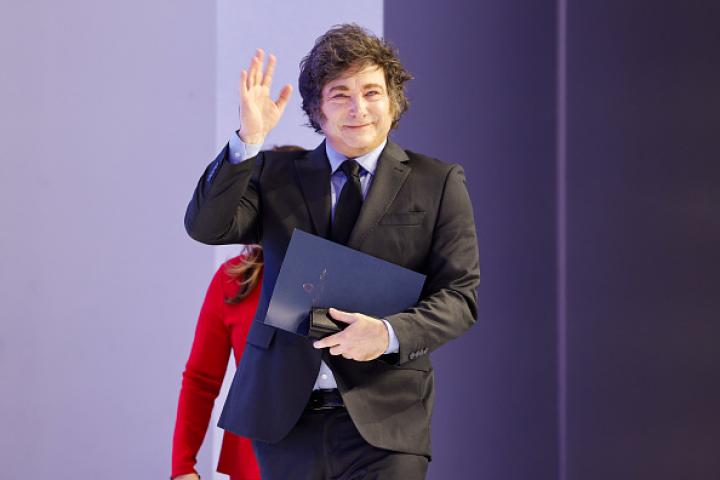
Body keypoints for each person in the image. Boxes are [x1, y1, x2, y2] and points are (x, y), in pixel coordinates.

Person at [185, 24, 480, 479]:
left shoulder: (437, 181)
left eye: (372, 92)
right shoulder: (274, 172)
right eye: (340, 94)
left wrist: (387, 333)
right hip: (284, 419)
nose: (358, 108)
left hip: (387, 419)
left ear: (393, 101)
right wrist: (247, 140)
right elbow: (207, 226)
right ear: (316, 109)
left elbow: (460, 297)